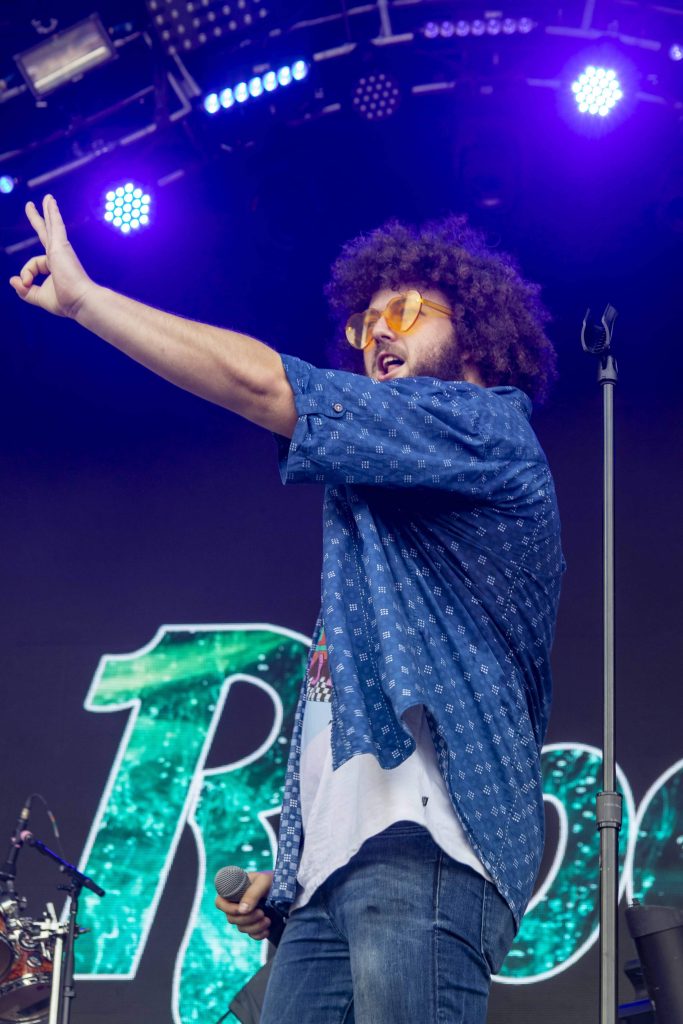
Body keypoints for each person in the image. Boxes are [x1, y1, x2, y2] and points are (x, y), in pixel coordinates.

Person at [10, 197, 564, 1024]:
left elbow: (262, 383)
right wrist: (304, 866)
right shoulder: (379, 506)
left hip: (425, 857)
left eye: (404, 312)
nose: (375, 334)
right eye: (363, 322)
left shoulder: (488, 430)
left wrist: (90, 302)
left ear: (479, 338)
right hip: (328, 883)